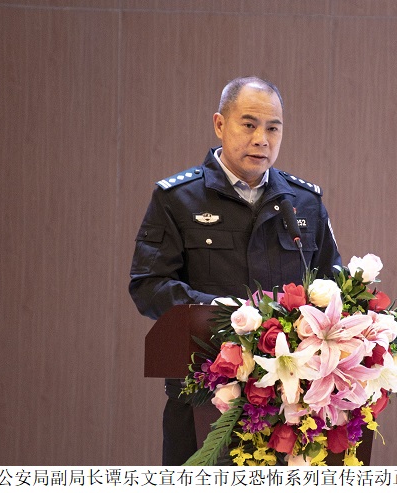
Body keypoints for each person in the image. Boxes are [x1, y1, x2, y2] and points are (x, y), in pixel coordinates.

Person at [129, 76, 341, 466]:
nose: (262, 139)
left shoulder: (304, 202)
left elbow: (334, 286)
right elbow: (149, 286)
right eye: (249, 125)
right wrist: (223, 313)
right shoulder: (178, 198)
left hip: (291, 404)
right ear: (219, 124)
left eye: (273, 128)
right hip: (204, 394)